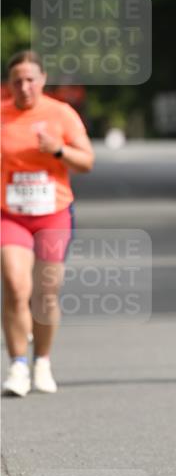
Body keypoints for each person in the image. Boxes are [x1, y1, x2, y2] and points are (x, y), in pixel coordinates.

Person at [1, 51, 94, 396]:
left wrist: (58, 150)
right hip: (10, 213)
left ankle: (41, 361)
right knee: (14, 285)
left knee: (46, 293)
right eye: (17, 81)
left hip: (52, 212)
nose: (24, 87)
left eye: (30, 80)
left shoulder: (60, 114)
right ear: (9, 84)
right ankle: (17, 366)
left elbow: (86, 162)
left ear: (42, 80)